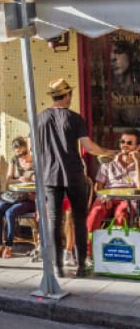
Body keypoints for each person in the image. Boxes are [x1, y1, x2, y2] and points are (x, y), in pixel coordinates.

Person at [37, 78, 114, 278]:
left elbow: (33, 148)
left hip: (49, 175)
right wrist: (108, 152)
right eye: (70, 94)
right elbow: (89, 147)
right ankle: (80, 266)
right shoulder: (74, 118)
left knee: (54, 221)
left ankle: (57, 267)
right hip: (73, 174)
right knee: (79, 219)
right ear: (67, 95)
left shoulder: (40, 118)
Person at [86, 129, 140, 258]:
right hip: (107, 197)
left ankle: (116, 253)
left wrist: (137, 163)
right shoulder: (109, 161)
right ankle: (88, 253)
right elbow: (98, 185)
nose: (124, 145)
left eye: (129, 143)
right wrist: (105, 197)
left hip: (128, 199)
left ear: (137, 147)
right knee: (95, 213)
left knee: (122, 215)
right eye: (122, 142)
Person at [0, 137, 36, 259]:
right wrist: (19, 180)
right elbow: (8, 180)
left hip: (31, 198)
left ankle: (9, 246)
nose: (21, 156)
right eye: (18, 154)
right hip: (15, 196)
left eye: (24, 153)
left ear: (28, 149)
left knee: (10, 212)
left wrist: (31, 179)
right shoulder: (14, 160)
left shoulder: (36, 160)